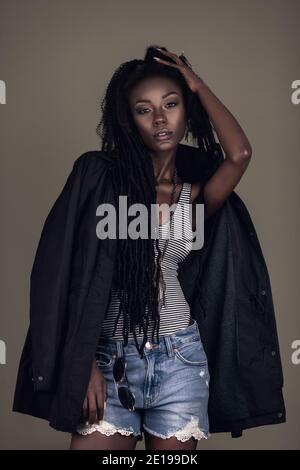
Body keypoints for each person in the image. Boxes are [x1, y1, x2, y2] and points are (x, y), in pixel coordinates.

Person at [66, 45, 252, 450]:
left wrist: (195, 83)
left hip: (179, 360)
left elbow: (239, 154)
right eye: (144, 109)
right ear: (129, 121)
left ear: (187, 112)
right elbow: (66, 275)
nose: (160, 118)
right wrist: (82, 366)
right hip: (106, 358)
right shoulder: (102, 183)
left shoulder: (195, 198)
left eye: (171, 104)